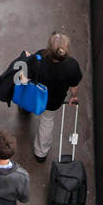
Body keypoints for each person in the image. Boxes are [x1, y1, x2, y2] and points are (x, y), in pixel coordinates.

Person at [24, 34, 82, 163]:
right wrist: (73, 97)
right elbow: (74, 87)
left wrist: (28, 58)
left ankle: (26, 110)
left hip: (35, 95)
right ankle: (40, 153)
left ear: (49, 48)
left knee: (28, 102)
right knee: (46, 121)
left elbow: (28, 74)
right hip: (53, 101)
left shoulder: (40, 57)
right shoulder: (72, 66)